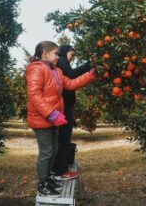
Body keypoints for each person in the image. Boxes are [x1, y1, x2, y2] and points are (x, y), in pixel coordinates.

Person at [26, 41, 95, 197]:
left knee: (55, 149)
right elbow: (34, 95)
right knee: (47, 151)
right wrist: (51, 113)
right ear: (45, 54)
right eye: (56, 54)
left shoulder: (56, 71)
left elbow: (70, 84)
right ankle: (42, 184)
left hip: (52, 119)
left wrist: (90, 75)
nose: (59, 57)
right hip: (41, 118)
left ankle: (49, 178)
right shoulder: (36, 69)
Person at [52, 45, 90, 180]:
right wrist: (88, 65)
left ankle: (58, 168)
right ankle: (60, 170)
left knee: (62, 138)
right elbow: (72, 76)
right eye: (71, 55)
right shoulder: (62, 60)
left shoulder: (61, 63)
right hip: (64, 107)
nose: (72, 59)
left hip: (64, 106)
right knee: (64, 138)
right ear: (65, 52)